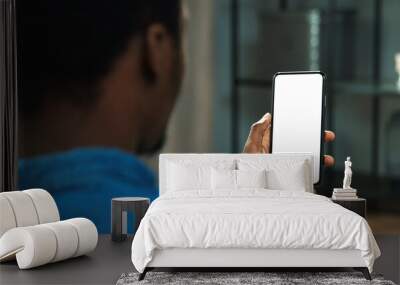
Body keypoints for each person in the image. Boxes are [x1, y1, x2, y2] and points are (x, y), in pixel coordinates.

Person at [17, 0, 335, 233]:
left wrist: (249, 179)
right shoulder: (156, 226)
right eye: (181, 38)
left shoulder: (18, 204)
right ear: (156, 49)